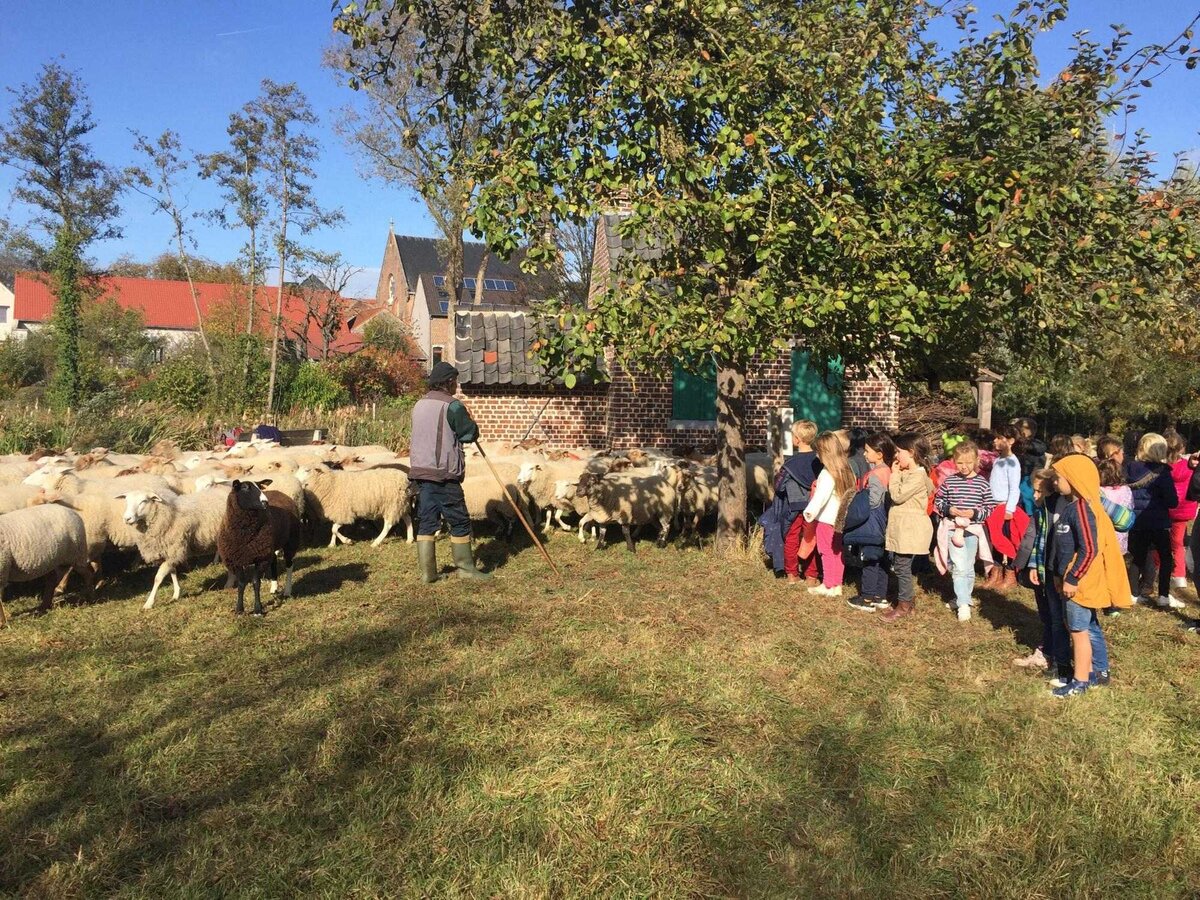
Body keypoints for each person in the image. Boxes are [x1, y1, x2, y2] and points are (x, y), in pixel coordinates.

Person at [1037, 453, 1132, 697]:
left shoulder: (1081, 510)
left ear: (1074, 478)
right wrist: (1058, 576)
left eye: (1058, 477)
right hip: (1071, 581)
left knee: (1078, 632)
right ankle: (1093, 673)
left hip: (1080, 584)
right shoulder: (1073, 507)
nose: (1055, 482)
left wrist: (1072, 578)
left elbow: (1089, 549)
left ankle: (1080, 681)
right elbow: (1063, 547)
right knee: (1085, 627)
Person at [409, 362, 492, 582]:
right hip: (443, 474)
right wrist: (471, 422)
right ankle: (466, 569)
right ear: (448, 382)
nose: (456, 385)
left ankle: (428, 574)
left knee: (427, 522)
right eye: (455, 381)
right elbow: (468, 434)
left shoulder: (419, 404)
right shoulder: (452, 406)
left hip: (420, 472)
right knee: (460, 521)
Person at [934, 440, 996, 621]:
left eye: (968, 462)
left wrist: (975, 513)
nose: (964, 466)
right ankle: (963, 604)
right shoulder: (950, 481)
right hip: (954, 529)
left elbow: (990, 506)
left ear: (976, 460)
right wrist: (949, 510)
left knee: (968, 567)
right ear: (954, 461)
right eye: (960, 462)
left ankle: (963, 597)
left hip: (973, 530)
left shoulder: (982, 483)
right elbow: (939, 500)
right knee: (959, 567)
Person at [1013, 469, 1066, 673]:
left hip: (1053, 572)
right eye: (1033, 491)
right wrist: (1032, 564)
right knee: (1046, 614)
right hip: (1041, 569)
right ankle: (1046, 651)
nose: (1034, 496)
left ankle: (1055, 656)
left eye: (1039, 491)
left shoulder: (1057, 513)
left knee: (1056, 617)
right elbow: (1036, 541)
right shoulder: (1040, 511)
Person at [881, 433, 934, 623]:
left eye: (899, 452)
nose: (896, 456)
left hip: (910, 529)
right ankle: (908, 602)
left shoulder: (918, 476)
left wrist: (894, 475)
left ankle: (904, 606)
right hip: (904, 527)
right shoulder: (911, 473)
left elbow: (897, 495)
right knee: (901, 565)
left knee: (902, 567)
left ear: (911, 453)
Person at [1126, 432, 1180, 608]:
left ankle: (1133, 593)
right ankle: (1163, 594)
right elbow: (1172, 501)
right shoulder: (1163, 473)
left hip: (1137, 521)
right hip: (1158, 522)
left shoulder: (1130, 469)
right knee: (1165, 558)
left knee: (1137, 558)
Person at [802, 430, 856, 597]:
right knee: (837, 552)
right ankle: (836, 584)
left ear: (826, 452)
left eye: (818, 451)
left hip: (826, 519)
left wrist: (809, 512)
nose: (816, 455)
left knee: (826, 551)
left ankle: (828, 584)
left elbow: (820, 497)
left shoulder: (826, 473)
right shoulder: (847, 470)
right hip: (840, 519)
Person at [845, 432, 894, 612]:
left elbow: (873, 501)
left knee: (870, 559)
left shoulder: (875, 474)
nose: (864, 454)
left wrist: (859, 498)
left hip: (873, 523)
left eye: (867, 451)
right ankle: (880, 596)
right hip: (885, 522)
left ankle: (866, 598)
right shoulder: (889, 471)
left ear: (879, 454)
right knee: (882, 560)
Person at [779, 420, 822, 585]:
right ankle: (812, 575)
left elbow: (779, 485)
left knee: (792, 537)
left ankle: (792, 573)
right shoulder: (819, 461)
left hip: (794, 506)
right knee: (811, 538)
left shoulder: (790, 463)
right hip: (814, 504)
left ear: (797, 439)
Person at [985, 424, 1023, 589]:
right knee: (995, 540)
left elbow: (1014, 488)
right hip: (993, 506)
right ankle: (996, 573)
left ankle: (1010, 574)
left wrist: (1009, 509)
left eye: (1000, 438)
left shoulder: (1012, 463)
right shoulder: (999, 460)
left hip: (1004, 507)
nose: (995, 440)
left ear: (1011, 441)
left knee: (1006, 540)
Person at [1165, 430, 1196, 591]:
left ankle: (1156, 567)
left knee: (1160, 541)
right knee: (1178, 543)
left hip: (1166, 507)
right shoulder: (1189, 466)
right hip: (1184, 509)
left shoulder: (1164, 468)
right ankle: (1179, 575)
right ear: (1181, 448)